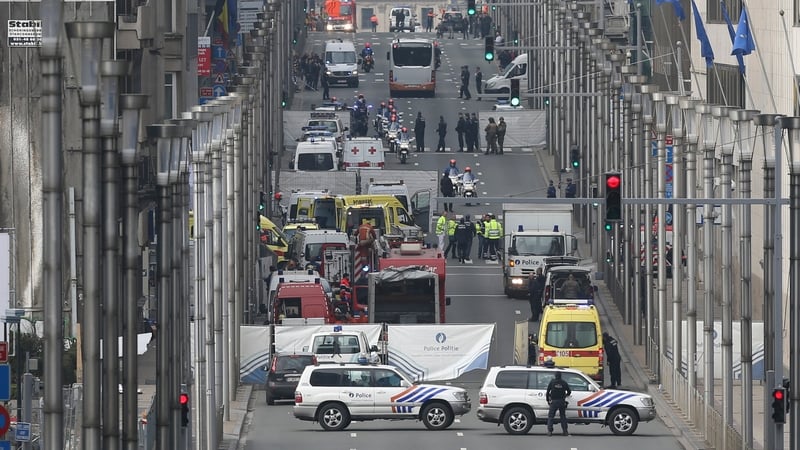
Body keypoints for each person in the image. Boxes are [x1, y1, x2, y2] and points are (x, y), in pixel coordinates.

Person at [546, 371, 572, 436]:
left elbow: (547, 391)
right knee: (563, 416)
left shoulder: (552, 382)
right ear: (561, 376)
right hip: (561, 401)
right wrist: (566, 395)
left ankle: (550, 431)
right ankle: (565, 431)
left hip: (554, 401)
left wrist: (548, 400)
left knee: (551, 417)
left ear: (555, 376)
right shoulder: (564, 382)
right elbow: (569, 391)